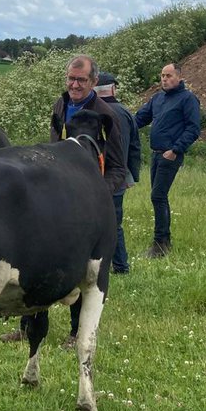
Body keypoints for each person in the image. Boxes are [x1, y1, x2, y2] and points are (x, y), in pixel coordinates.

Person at [1, 54, 127, 346]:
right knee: (37, 257)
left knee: (80, 265)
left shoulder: (108, 114)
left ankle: (75, 332)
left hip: (87, 202)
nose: (74, 85)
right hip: (56, 195)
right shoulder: (61, 105)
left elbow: (118, 166)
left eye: (81, 80)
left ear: (94, 81)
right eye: (71, 78)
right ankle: (28, 325)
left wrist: (96, 194)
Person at [135, 63, 202, 258]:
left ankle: (161, 244)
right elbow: (140, 119)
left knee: (158, 196)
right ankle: (163, 241)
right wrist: (119, 123)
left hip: (170, 155)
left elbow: (193, 129)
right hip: (156, 154)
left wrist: (175, 149)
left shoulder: (187, 99)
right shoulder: (158, 98)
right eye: (162, 76)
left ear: (179, 77)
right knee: (157, 196)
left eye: (169, 75)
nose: (164, 79)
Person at [94, 73, 141, 274]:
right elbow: (134, 146)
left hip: (93, 178)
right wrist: (132, 176)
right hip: (119, 179)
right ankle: (119, 265)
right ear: (113, 89)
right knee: (114, 223)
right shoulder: (125, 112)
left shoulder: (90, 112)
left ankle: (118, 266)